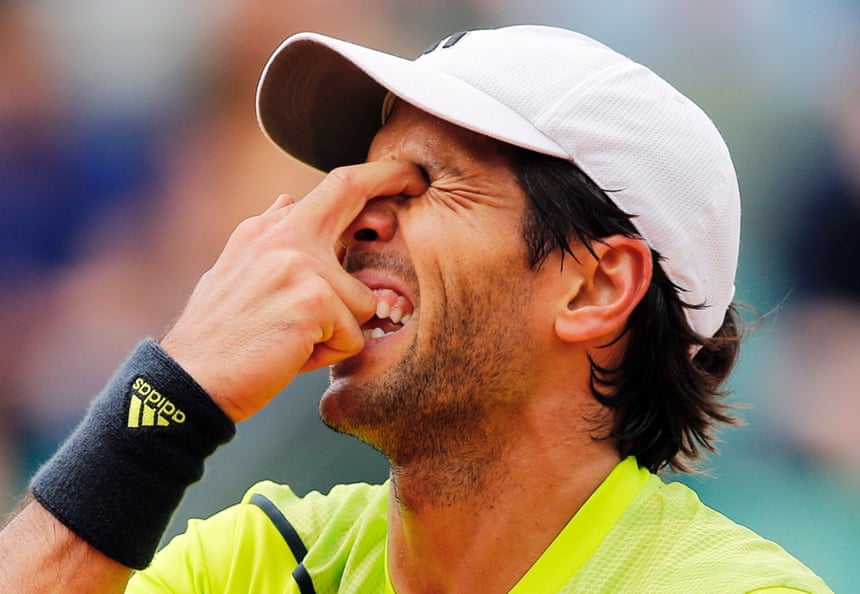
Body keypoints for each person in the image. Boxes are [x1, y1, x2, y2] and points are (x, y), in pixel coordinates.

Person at [0, 24, 832, 593]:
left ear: (595, 286)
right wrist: (173, 392)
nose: (347, 212)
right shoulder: (265, 561)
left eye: (427, 183)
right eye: (363, 174)